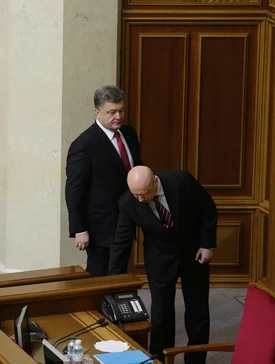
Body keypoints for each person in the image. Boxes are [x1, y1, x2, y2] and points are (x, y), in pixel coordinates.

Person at [109, 166, 217, 364]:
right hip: (160, 257)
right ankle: (160, 358)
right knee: (161, 312)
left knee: (197, 309)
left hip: (194, 251)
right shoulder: (128, 201)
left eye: (144, 194)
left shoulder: (181, 181)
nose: (140, 199)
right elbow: (121, 241)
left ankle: (196, 359)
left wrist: (207, 244)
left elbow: (207, 209)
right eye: (136, 195)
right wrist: (113, 281)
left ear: (155, 182)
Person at [65, 85, 142, 277]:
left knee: (120, 275)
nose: (118, 116)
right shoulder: (83, 145)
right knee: (100, 277)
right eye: (112, 112)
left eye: (121, 111)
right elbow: (74, 191)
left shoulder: (129, 134)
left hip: (126, 220)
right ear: (97, 112)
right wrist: (80, 229)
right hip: (100, 227)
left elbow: (136, 169)